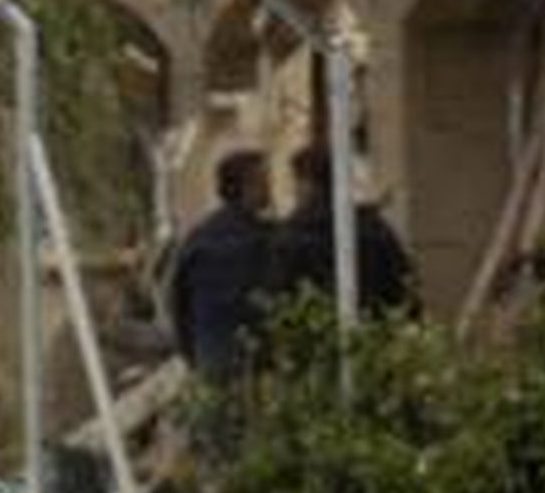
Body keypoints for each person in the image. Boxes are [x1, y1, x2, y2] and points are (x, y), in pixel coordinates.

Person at [167, 148, 277, 379]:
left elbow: (178, 304)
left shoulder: (197, 238)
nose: (270, 189)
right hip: (254, 364)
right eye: (264, 181)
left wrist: (193, 355)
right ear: (245, 188)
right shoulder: (265, 240)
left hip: (210, 359)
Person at [272, 142, 418, 315]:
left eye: (297, 182)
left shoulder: (292, 235)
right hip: (373, 331)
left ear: (308, 184)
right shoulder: (373, 227)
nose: (295, 191)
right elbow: (404, 287)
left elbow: (279, 297)